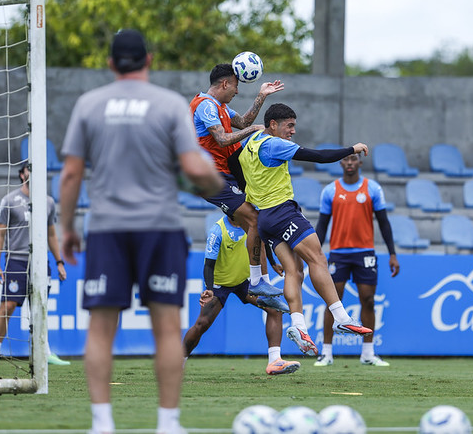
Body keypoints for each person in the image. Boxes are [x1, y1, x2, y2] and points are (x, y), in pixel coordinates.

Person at [58, 29, 223, 434]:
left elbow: (71, 174)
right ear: (149, 60)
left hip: (108, 229)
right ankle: (167, 424)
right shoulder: (168, 105)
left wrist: (66, 227)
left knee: (100, 328)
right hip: (160, 230)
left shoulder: (88, 104)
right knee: (167, 327)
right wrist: (218, 186)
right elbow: (197, 168)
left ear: (111, 63)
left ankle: (102, 423)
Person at [237, 102, 373, 358]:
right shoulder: (274, 144)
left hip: (265, 217)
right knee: (318, 259)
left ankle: (298, 325)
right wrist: (351, 149)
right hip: (282, 211)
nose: (293, 131)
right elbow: (319, 157)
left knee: (294, 271)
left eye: (294, 126)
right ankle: (340, 316)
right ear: (273, 125)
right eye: (289, 126)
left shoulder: (250, 144)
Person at [190, 63, 284, 297]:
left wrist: (261, 95)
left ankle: (261, 282)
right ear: (224, 84)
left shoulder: (220, 106)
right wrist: (254, 129)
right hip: (211, 177)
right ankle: (256, 282)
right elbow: (222, 139)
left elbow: (242, 122)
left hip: (225, 175)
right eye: (236, 86)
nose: (238, 91)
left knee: (256, 220)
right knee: (254, 218)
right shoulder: (205, 106)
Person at [182, 215, 298, 375]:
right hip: (220, 284)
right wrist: (209, 288)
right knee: (202, 324)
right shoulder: (218, 231)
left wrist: (272, 263)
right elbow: (208, 265)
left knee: (274, 309)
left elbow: (263, 244)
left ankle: (275, 361)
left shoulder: (252, 225)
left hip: (244, 282)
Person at [314, 153, 399, 367]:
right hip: (338, 254)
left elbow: (384, 223)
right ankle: (326, 352)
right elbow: (322, 226)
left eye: (353, 160)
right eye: (346, 160)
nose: (350, 163)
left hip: (365, 253)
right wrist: (315, 252)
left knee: (368, 300)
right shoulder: (330, 190)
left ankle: (368, 353)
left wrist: (392, 253)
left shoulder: (372, 189)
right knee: (333, 301)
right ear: (341, 163)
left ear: (360, 163)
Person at [0, 163, 70, 366]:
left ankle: (45, 351)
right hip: (17, 261)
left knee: (40, 308)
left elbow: (52, 234)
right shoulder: (9, 200)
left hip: (41, 264)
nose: (33, 174)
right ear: (21, 174)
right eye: (29, 170)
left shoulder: (48, 202)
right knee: (7, 307)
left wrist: (59, 262)